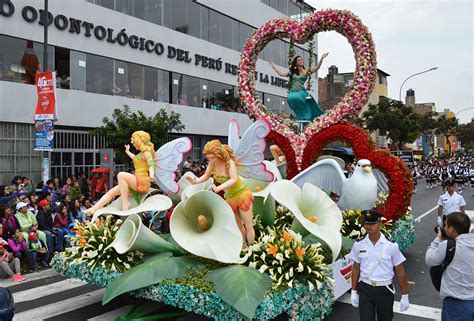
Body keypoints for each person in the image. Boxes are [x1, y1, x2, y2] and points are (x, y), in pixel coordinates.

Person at [187, 140, 255, 248]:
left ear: (219, 154)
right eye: (209, 158)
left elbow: (234, 179)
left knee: (248, 225)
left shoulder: (230, 163)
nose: (211, 160)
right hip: (230, 197)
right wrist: (196, 181)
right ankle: (243, 246)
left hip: (242, 195)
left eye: (213, 157)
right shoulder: (212, 164)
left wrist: (219, 188)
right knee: (238, 225)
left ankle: (253, 249)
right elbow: (206, 176)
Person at [349, 210, 410, 321]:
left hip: (384, 290)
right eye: (367, 223)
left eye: (372, 223)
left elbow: (400, 270)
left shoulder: (391, 246)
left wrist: (405, 295)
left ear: (380, 225)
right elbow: (356, 268)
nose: (369, 226)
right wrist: (353, 291)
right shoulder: (358, 244)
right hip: (365, 288)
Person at [84, 131, 156, 215]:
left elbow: (151, 165)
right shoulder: (141, 154)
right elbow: (136, 158)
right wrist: (128, 152)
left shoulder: (147, 153)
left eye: (134, 142)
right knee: (111, 192)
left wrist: (151, 175)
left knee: (121, 175)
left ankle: (125, 202)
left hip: (141, 181)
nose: (133, 144)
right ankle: (94, 209)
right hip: (136, 180)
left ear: (139, 141)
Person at [425, 212, 474, 321]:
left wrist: (438, 239)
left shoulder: (449, 245)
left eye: (445, 225)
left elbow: (430, 259)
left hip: (456, 305)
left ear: (451, 229)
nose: (444, 227)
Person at [268, 53, 329, 121]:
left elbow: (316, 68)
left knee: (298, 98)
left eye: (301, 59)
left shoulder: (306, 72)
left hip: (301, 92)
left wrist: (321, 58)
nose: (301, 61)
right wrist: (273, 66)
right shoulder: (293, 72)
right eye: (299, 60)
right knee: (290, 98)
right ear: (296, 63)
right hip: (293, 91)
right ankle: (300, 114)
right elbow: (281, 74)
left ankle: (306, 114)